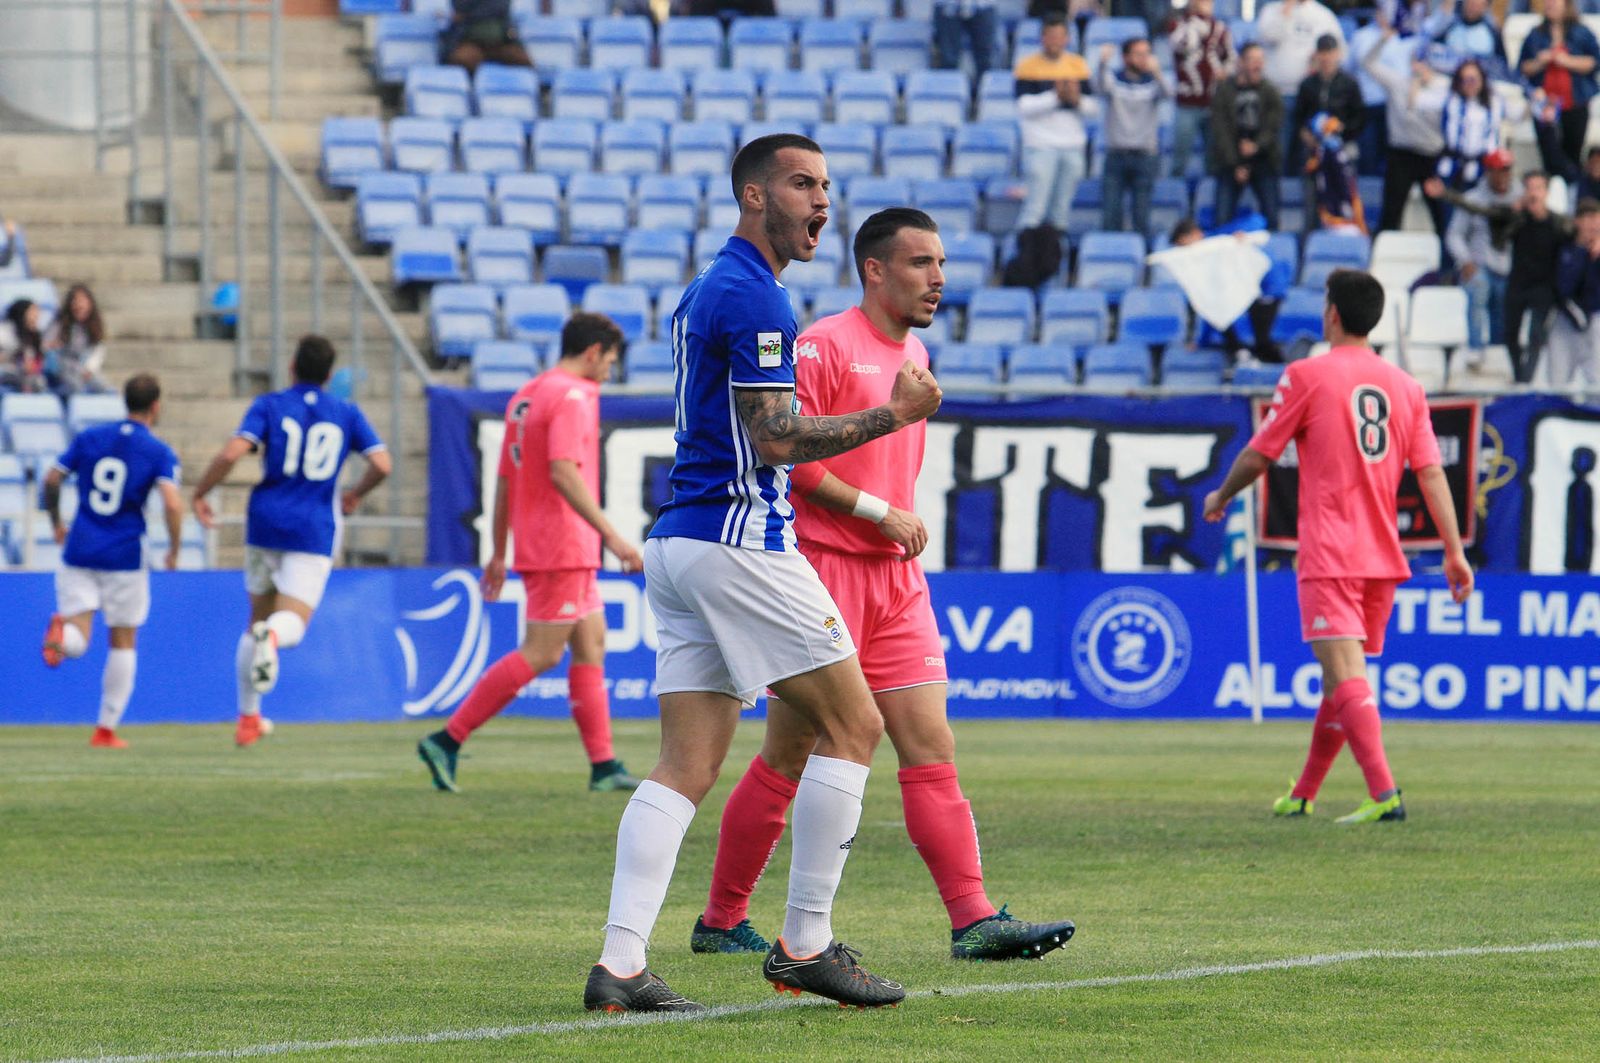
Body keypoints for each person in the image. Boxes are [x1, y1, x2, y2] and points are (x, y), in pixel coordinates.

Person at [582, 134, 941, 1014]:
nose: (821, 200)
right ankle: (805, 942)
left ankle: (620, 964)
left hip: (680, 542)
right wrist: (889, 414)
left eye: (825, 185)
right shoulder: (756, 299)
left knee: (685, 764)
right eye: (801, 183)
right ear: (754, 196)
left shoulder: (713, 286)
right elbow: (777, 439)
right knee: (854, 724)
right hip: (741, 541)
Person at [689, 208, 1075, 964]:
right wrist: (880, 512)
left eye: (940, 264)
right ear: (874, 268)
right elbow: (789, 456)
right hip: (824, 571)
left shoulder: (917, 351)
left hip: (896, 583)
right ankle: (722, 916)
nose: (938, 278)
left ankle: (973, 919)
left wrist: (891, 523)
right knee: (789, 754)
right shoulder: (824, 345)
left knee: (931, 742)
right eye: (920, 263)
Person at [1203, 269, 1473, 824]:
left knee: (1347, 672)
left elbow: (1260, 453)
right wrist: (1454, 550)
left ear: (1332, 314)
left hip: (1330, 549)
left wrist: (1222, 493)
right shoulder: (1407, 386)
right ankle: (1303, 793)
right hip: (1382, 553)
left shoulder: (1307, 374)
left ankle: (1385, 794)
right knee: (1338, 676)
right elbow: (1431, 474)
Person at [417, 312, 644, 794]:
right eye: (610, 360)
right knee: (541, 653)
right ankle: (447, 739)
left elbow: (504, 480)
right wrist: (616, 538)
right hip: (562, 542)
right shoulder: (575, 395)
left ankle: (603, 765)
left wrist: (499, 551)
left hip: (546, 540)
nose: (610, 371)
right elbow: (563, 472)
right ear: (591, 353)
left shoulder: (527, 395)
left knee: (592, 641)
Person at [190, 335, 391, 747]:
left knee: (255, 622)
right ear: (330, 376)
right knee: (291, 624)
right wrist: (356, 493)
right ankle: (273, 641)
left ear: (292, 367)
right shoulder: (346, 413)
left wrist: (200, 492)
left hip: (263, 523)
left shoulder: (269, 405)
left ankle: (248, 719)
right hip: (311, 528)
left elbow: (232, 454)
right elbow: (382, 463)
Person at [39, 374, 183, 749]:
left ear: (125, 401)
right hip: (124, 555)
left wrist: (56, 523)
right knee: (122, 639)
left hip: (80, 548)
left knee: (79, 637)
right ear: (155, 406)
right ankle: (105, 729)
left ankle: (62, 634)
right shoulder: (157, 451)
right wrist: (175, 547)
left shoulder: (91, 438)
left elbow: (52, 478)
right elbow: (171, 501)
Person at [1429, 170, 1571, 382]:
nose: (1534, 193)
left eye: (1538, 188)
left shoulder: (1558, 223)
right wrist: (1447, 195)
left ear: (1546, 192)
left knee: (1535, 336)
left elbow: (1577, 236)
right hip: (1517, 284)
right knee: (1510, 335)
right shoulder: (1516, 218)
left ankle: (1525, 381)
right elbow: (1479, 210)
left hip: (1543, 287)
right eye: (1530, 188)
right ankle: (1518, 376)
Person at [1363, 14, 1451, 234]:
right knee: (1391, 213)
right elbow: (1368, 63)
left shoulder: (1444, 88)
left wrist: (1427, 87)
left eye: (1424, 61)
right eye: (1416, 61)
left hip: (1430, 156)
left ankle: (1446, 260)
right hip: (1401, 154)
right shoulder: (1398, 83)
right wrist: (1383, 39)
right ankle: (1382, 255)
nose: (1419, 66)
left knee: (1439, 213)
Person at [1014, 15, 1095, 232]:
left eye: (1060, 37)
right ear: (1042, 38)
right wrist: (1055, 97)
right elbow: (1023, 107)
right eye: (1050, 36)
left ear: (1067, 39)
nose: (1055, 41)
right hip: (1041, 145)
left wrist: (1075, 99)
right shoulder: (1027, 66)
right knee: (1035, 208)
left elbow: (1092, 108)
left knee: (1061, 211)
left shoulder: (1077, 65)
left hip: (1072, 145)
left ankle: (1054, 260)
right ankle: (1026, 260)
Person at [1434, 151, 1517, 360]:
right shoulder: (1473, 198)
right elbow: (1454, 234)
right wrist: (1465, 260)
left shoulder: (1520, 198)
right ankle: (1476, 350)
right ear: (1488, 172)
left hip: (1511, 268)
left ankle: (1500, 355)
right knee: (1478, 287)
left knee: (1504, 312)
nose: (1502, 177)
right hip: (1480, 265)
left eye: (1506, 171)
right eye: (1497, 172)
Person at [1096, 38, 1171, 235]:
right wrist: (1102, 62)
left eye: (1147, 53)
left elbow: (1168, 93)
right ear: (1126, 57)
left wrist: (1157, 72)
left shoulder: (1153, 81)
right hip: (1116, 154)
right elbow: (1101, 86)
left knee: (1141, 216)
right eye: (1139, 54)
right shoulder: (1115, 79)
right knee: (1111, 214)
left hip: (1145, 156)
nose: (1144, 59)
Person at [1519, 0, 1600, 182]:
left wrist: (1566, 60)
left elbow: (1594, 62)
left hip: (1575, 104)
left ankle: (1573, 195)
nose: (1550, 4)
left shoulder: (1581, 32)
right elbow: (1522, 68)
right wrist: (1542, 60)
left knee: (1572, 153)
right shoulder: (1535, 34)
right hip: (1544, 107)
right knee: (1550, 157)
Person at [1258, 0, 1345, 165]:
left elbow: (1340, 52)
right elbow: (1269, 37)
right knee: (1277, 152)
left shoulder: (1323, 14)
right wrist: (1286, 10)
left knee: (1308, 153)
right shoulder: (1271, 10)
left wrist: (1320, 60)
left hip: (1312, 97)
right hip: (1276, 95)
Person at [1210, 43, 1285, 229]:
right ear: (1241, 62)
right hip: (1230, 164)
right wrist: (1236, 164)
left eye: (1261, 60)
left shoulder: (1270, 91)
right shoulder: (1225, 90)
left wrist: (1256, 146)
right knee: (1222, 219)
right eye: (1253, 60)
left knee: (1272, 219)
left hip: (1264, 161)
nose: (1258, 65)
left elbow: (1273, 126)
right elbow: (1221, 131)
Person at [1168, 0, 1234, 180]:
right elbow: (1181, 45)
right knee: (1180, 155)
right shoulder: (1179, 25)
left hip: (1213, 101)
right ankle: (1176, 191)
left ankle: (1208, 196)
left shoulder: (1220, 29)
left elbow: (1231, 58)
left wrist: (1224, 71)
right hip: (1187, 102)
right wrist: (1194, 19)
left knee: (1214, 156)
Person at [1293, 35, 1365, 177]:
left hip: (1342, 145)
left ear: (1338, 54)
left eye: (1330, 52)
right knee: (1312, 193)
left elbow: (1360, 118)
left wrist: (1341, 130)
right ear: (1317, 55)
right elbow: (1298, 116)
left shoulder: (1349, 83)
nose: (1326, 58)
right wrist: (1305, 134)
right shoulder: (1307, 84)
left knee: (1345, 193)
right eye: (1323, 53)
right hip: (1314, 146)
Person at [1548, 198, 1600, 387]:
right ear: (1577, 221)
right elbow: (1562, 287)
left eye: (1596, 219)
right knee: (1557, 381)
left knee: (1597, 382)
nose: (1592, 225)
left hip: (1595, 320)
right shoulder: (1565, 248)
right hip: (1566, 319)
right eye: (1587, 219)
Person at [1436, 58, 1504, 191]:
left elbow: (1519, 113)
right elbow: (1418, 102)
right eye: (1464, 80)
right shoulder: (1450, 100)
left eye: (1473, 79)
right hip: (1450, 166)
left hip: (1482, 169)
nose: (1469, 84)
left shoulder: (1495, 102)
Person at [45, 284, 108, 396]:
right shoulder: (59, 323)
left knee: (102, 387)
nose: (79, 306)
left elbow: (97, 351)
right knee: (75, 386)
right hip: (62, 368)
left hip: (82, 368)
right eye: (76, 301)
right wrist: (53, 346)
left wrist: (89, 369)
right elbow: (45, 345)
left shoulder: (93, 327)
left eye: (83, 301)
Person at [441, 0, 532, 75]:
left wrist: (475, 11)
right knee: (462, 59)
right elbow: (461, 6)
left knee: (523, 59)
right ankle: (469, 90)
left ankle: (538, 91)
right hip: (471, 44)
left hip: (500, 44)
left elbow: (503, 7)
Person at [1432, 0, 1507, 69]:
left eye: (1476, 5)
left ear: (1485, 7)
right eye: (1469, 3)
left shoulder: (1493, 32)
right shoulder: (1449, 25)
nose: (1471, 8)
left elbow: (1501, 64)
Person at [934, 0, 996, 78]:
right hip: (947, 5)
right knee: (948, 60)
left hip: (983, 5)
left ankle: (984, 88)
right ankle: (949, 88)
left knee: (985, 60)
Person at [1, 298, 51, 394]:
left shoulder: (35, 336)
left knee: (39, 381)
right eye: (32, 311)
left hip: (27, 376)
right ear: (22, 313)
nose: (37, 315)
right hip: (6, 371)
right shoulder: (5, 331)